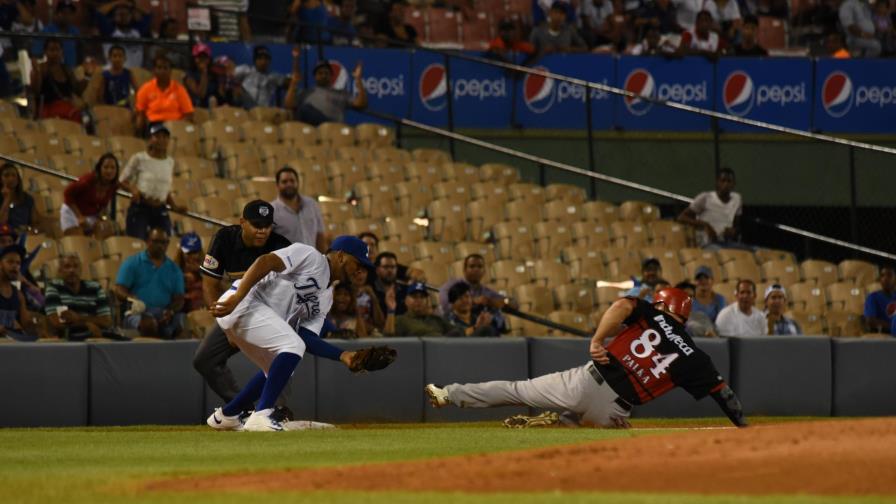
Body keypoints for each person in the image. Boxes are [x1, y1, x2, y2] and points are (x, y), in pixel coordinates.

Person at [425, 288, 748, 428]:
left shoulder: (650, 313)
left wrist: (596, 339)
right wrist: (746, 429)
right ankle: (561, 422)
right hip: (613, 409)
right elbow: (725, 395)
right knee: (601, 452)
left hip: (584, 380)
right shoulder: (696, 356)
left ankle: (447, 394)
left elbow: (622, 305)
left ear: (663, 305)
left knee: (516, 390)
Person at [207, 235, 389, 431]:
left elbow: (306, 337)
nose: (360, 269)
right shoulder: (311, 256)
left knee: (282, 364)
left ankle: (228, 415)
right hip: (243, 303)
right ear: (342, 256)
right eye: (358, 262)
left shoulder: (326, 298)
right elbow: (265, 261)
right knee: (292, 346)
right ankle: (261, 414)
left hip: (254, 314)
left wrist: (343, 356)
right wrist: (238, 297)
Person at [193, 200, 293, 412]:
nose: (262, 231)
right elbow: (209, 284)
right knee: (205, 360)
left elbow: (291, 293)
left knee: (279, 358)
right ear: (242, 223)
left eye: (266, 225)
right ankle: (242, 408)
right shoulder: (224, 238)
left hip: (271, 313)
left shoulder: (282, 246)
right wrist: (227, 326)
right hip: (236, 310)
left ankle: (276, 412)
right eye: (257, 225)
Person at [118, 123, 186, 240]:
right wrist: (133, 190)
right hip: (141, 207)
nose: (162, 140)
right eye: (157, 136)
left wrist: (174, 206)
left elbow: (164, 189)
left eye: (165, 137)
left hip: (160, 208)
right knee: (137, 242)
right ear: (150, 139)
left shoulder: (170, 162)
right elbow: (121, 180)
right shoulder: (139, 158)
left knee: (165, 241)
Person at [114, 227, 184, 339]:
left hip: (163, 311)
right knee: (149, 323)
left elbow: (179, 299)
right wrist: (132, 298)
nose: (160, 245)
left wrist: (170, 311)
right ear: (147, 241)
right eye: (156, 241)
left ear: (168, 244)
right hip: (137, 312)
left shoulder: (174, 269)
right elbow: (119, 289)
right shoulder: (132, 263)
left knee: (183, 323)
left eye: (163, 242)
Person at [284, 50, 368, 126]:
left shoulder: (341, 93)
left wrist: (358, 80)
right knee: (302, 110)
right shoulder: (307, 92)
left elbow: (361, 104)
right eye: (320, 73)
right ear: (315, 76)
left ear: (331, 76)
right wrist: (293, 82)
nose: (324, 75)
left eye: (326, 73)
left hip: (334, 129)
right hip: (312, 131)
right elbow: (288, 104)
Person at [43, 253, 114, 341]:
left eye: (76, 266)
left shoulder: (95, 288)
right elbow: (57, 322)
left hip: (97, 335)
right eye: (67, 267)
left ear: (81, 270)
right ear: (60, 270)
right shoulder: (54, 287)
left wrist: (78, 318)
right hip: (69, 338)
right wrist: (86, 324)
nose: (72, 270)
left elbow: (106, 321)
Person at [439, 254, 511, 330]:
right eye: (472, 266)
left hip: (478, 328)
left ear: (484, 271)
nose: (476, 269)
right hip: (454, 326)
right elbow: (446, 305)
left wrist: (499, 302)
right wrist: (473, 301)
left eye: (480, 267)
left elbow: (513, 303)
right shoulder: (451, 285)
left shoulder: (487, 292)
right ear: (464, 269)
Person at [677, 167, 742, 249]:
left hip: (726, 242)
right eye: (723, 181)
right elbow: (681, 217)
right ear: (717, 183)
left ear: (734, 184)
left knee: (755, 252)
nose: (726, 184)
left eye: (729, 181)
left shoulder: (737, 199)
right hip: (707, 243)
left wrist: (733, 231)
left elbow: (737, 225)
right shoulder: (705, 197)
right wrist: (705, 225)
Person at [61, 153, 119, 236]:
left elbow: (103, 205)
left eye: (113, 168)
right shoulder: (88, 180)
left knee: (106, 230)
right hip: (72, 212)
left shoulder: (113, 185)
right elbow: (67, 194)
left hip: (91, 214)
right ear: (99, 168)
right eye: (106, 167)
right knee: (78, 241)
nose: (109, 171)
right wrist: (79, 217)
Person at [134, 55, 194, 134]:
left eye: (165, 68)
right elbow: (141, 113)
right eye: (159, 68)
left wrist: (180, 127)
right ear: (154, 71)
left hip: (175, 126)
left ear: (170, 71)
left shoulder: (180, 89)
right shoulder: (145, 89)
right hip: (154, 125)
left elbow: (188, 114)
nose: (162, 71)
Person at [269, 166, 326, 251]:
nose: (289, 184)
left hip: (312, 261)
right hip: (286, 263)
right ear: (277, 185)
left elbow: (320, 235)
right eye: (284, 182)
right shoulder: (272, 210)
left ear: (298, 183)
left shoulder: (312, 204)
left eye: (292, 181)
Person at [30, 38, 85, 122]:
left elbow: (77, 91)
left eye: (57, 50)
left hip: (68, 108)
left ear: (62, 51)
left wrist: (83, 79)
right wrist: (37, 73)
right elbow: (35, 91)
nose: (55, 53)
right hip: (49, 110)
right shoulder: (41, 69)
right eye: (52, 50)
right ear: (45, 52)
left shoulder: (67, 70)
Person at [385, 282, 457, 337]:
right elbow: (388, 337)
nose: (418, 300)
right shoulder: (401, 320)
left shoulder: (437, 320)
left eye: (422, 297)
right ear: (406, 300)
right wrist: (391, 310)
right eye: (414, 296)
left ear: (427, 300)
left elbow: (456, 332)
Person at [97, 1, 151, 68]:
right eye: (120, 14)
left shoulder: (137, 31)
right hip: (113, 74)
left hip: (135, 74)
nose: (123, 17)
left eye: (126, 14)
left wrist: (131, 5)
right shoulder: (109, 31)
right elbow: (99, 13)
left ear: (131, 16)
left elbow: (148, 14)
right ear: (114, 17)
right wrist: (118, 2)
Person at [0, 244, 35, 341]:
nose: (15, 266)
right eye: (10, 262)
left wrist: (36, 324)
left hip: (13, 343)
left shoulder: (18, 294)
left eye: (18, 263)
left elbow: (27, 324)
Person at [35, 0, 80, 66]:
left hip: (71, 72)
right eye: (64, 13)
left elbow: (80, 54)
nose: (67, 16)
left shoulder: (75, 32)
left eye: (70, 13)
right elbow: (37, 54)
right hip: (51, 72)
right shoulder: (47, 31)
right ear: (56, 14)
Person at [0, 163, 38, 233]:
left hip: (23, 236)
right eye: (6, 175)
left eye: (14, 175)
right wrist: (6, 200)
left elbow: (34, 223)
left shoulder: (28, 199)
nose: (11, 178)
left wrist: (28, 228)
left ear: (18, 179)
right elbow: (1, 222)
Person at [184, 42, 221, 108]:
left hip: (213, 108)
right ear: (194, 59)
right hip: (197, 108)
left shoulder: (213, 75)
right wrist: (204, 73)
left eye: (205, 57)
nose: (202, 60)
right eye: (199, 57)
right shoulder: (190, 75)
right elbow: (201, 95)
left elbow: (219, 94)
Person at [175, 232, 205, 313]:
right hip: (183, 310)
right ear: (181, 251)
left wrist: (200, 271)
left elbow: (221, 286)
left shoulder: (206, 268)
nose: (191, 256)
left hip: (204, 309)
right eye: (188, 253)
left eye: (194, 252)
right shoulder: (175, 269)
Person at [372, 252, 406, 317]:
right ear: (377, 270)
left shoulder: (404, 289)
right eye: (385, 267)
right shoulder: (372, 290)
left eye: (393, 267)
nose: (390, 270)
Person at [863, 265, 895, 333]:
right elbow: (870, 321)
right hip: (883, 336)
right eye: (883, 275)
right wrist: (892, 327)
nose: (885, 278)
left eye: (889, 275)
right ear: (880, 280)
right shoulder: (873, 297)